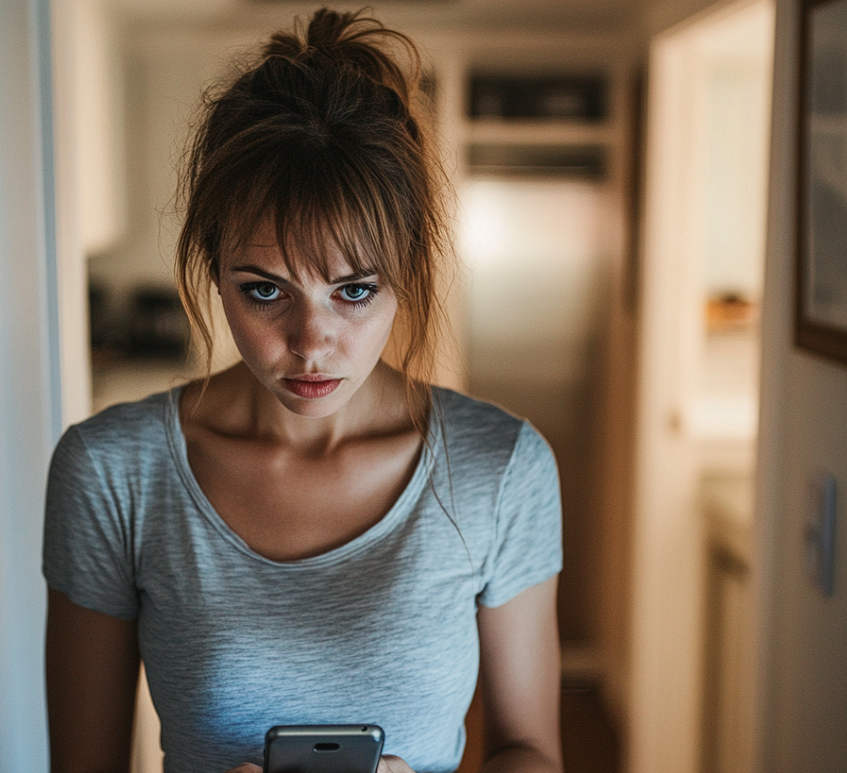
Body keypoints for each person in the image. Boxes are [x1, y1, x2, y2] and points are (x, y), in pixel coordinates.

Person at [43, 9, 563, 773]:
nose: (311, 342)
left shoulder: (502, 469)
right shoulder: (112, 472)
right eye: (263, 291)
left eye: (352, 290)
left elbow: (531, 750)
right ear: (212, 268)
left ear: (406, 273)